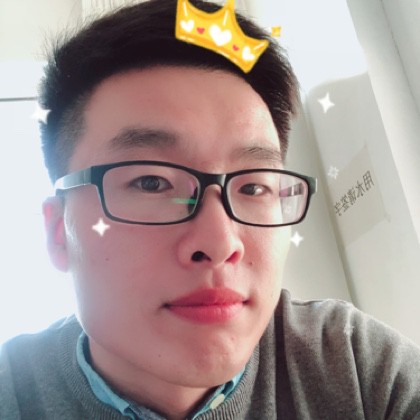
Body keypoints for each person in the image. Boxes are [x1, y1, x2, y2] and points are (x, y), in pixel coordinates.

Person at [1, 0, 420, 419]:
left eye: (253, 186)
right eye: (151, 182)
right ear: (59, 233)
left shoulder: (357, 366)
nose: (220, 243)